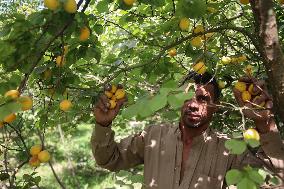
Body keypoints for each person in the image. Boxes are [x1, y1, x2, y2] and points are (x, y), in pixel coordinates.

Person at [91, 72, 284, 189]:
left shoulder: (228, 149)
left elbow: (276, 183)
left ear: (215, 106)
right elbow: (108, 159)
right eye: (187, 97)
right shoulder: (153, 136)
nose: (192, 104)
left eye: (202, 99)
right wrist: (103, 125)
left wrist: (264, 123)